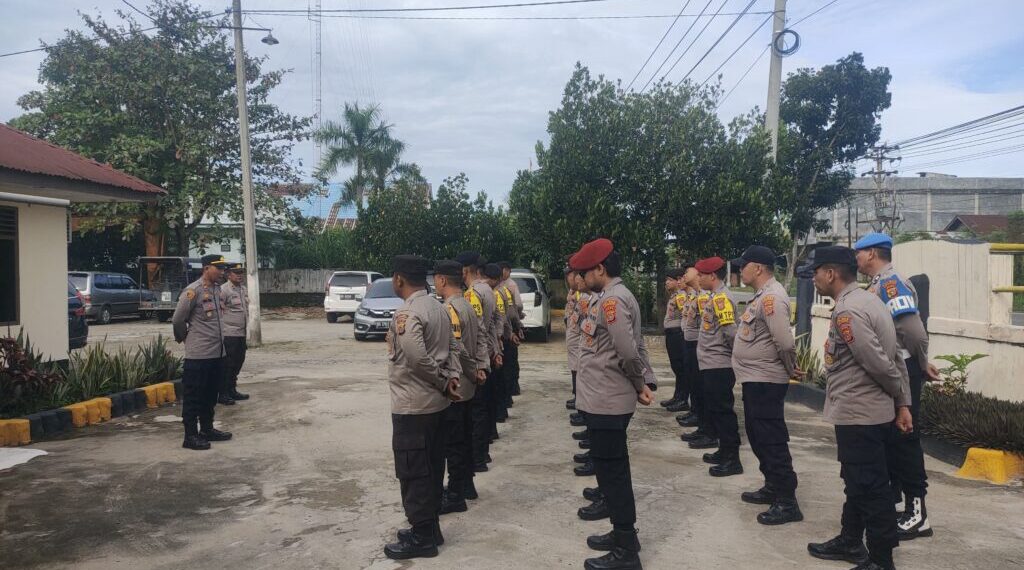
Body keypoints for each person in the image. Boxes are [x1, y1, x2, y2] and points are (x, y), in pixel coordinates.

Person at [806, 246, 913, 570]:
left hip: (860, 413)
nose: (813, 278)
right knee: (857, 479)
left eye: (815, 272)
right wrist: (902, 402)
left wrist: (899, 397)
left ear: (830, 273)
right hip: (867, 411)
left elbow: (880, 363)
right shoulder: (870, 301)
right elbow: (895, 356)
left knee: (871, 486)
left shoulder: (848, 311)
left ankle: (881, 560)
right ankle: (850, 539)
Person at [571, 238, 656, 570]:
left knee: (614, 473)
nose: (580, 277)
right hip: (600, 398)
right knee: (607, 470)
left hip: (608, 399)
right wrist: (644, 379)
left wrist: (640, 383)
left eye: (584, 271)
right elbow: (635, 345)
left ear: (600, 269)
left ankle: (626, 551)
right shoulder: (607, 298)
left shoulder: (613, 302)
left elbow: (628, 350)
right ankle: (622, 535)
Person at [854, 233, 940, 540]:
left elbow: (914, 333)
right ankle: (894, 506)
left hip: (903, 371)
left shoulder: (891, 284)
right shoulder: (878, 283)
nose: (856, 258)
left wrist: (919, 361)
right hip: (894, 370)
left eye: (859, 253)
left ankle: (918, 515)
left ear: (873, 253)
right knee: (892, 441)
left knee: (905, 441)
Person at [383, 255, 462, 560]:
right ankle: (430, 528)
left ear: (399, 279)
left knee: (413, 472)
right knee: (431, 468)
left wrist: (443, 381)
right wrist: (452, 377)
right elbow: (455, 345)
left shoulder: (409, 313)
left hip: (413, 407)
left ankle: (422, 537)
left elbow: (416, 358)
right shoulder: (438, 307)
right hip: (436, 408)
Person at [730, 246, 802, 525]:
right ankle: (773, 485)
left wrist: (789, 367)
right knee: (758, 435)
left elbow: (784, 342)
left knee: (771, 439)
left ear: (758, 268)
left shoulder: (772, 297)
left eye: (743, 265)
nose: (740, 270)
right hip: (754, 379)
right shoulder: (761, 296)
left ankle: (787, 500)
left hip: (766, 380)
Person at [435, 260, 489, 515]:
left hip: (458, 384)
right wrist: (481, 367)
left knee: (454, 443)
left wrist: (474, 369)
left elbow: (460, 349)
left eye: (436, 279)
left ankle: (456, 492)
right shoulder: (467, 304)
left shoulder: (450, 309)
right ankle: (466, 485)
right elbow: (481, 339)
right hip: (468, 384)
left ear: (443, 280)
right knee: (465, 437)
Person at [172, 254, 233, 451]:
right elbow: (178, 320)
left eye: (224, 269)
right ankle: (190, 435)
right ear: (206, 268)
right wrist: (185, 338)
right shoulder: (193, 291)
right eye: (219, 268)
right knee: (194, 395)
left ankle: (207, 429)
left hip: (217, 352)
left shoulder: (217, 290)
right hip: (199, 354)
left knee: (210, 394)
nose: (223, 272)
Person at [690, 256, 743, 477]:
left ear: (712, 276)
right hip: (711, 363)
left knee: (723, 411)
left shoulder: (721, 299)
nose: (698, 278)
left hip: (719, 364)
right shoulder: (714, 297)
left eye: (701, 275)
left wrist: (734, 358)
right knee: (715, 409)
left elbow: (730, 332)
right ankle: (723, 450)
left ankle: (732, 459)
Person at [455, 251, 501, 473]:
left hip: (478, 356)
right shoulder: (489, 290)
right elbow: (493, 324)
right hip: (488, 352)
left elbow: (479, 328)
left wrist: (479, 363)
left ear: (465, 271)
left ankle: (479, 457)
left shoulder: (473, 294)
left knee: (477, 413)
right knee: (484, 409)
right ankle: (483, 454)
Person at [677, 263, 704, 434]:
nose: (684, 275)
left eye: (687, 271)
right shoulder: (695, 296)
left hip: (700, 346)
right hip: (690, 342)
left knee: (699, 384)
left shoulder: (706, 297)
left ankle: (701, 418)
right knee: (693, 381)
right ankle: (696, 412)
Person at [218, 262, 250, 406]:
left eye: (241, 272)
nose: (239, 275)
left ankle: (232, 390)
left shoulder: (242, 290)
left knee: (238, 362)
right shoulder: (223, 290)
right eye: (236, 273)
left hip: (241, 333)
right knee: (228, 365)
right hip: (229, 333)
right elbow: (219, 311)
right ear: (228, 275)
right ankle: (223, 393)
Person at [660, 268, 690, 413]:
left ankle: (682, 398)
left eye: (669, 280)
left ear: (678, 281)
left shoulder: (680, 297)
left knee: (680, 368)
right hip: (672, 334)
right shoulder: (675, 295)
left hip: (677, 334)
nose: (667, 283)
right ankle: (677, 396)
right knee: (676, 367)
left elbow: (686, 314)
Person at [499, 261, 525, 397]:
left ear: (508, 271)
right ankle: (511, 387)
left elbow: (518, 305)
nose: (503, 272)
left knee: (510, 359)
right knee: (509, 359)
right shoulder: (503, 286)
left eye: (505, 270)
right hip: (508, 324)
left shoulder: (510, 285)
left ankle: (513, 387)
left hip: (509, 324)